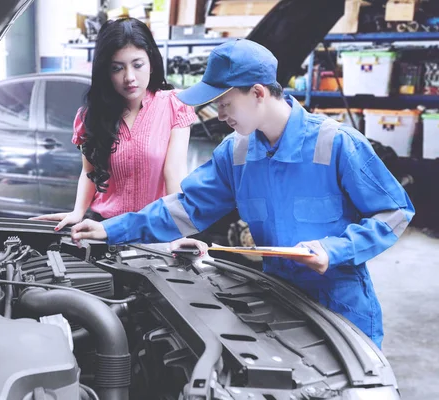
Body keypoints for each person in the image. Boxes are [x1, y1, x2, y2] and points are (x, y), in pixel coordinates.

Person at [69, 39, 415, 349]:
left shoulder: (337, 143)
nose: (219, 116)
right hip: (278, 301)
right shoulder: (234, 154)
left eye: (225, 104)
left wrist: (335, 249)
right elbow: (186, 208)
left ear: (258, 93)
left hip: (341, 308)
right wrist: (112, 229)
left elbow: (395, 211)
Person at [32, 17, 207, 252]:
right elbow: (89, 172)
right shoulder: (90, 116)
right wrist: (78, 211)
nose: (129, 77)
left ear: (152, 64)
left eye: (137, 64)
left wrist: (178, 233)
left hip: (154, 235)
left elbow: (174, 173)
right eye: (117, 68)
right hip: (104, 231)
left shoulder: (175, 105)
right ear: (106, 71)